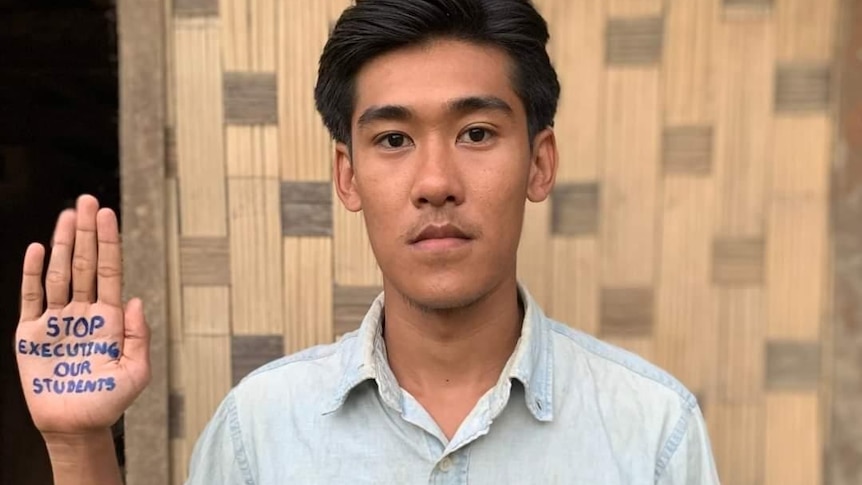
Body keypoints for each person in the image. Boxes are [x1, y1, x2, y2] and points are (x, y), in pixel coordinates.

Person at [14, 0, 720, 483]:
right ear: (347, 177)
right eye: (393, 139)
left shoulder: (651, 429)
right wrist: (77, 445)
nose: (436, 181)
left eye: (477, 133)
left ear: (539, 163)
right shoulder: (259, 430)